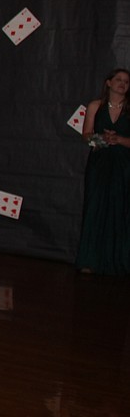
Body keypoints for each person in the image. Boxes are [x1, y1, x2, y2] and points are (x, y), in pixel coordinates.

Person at [76, 68, 130, 275]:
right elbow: (86, 135)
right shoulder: (95, 106)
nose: (123, 84)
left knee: (120, 209)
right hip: (100, 164)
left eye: (126, 81)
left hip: (124, 165)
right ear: (108, 83)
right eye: (119, 80)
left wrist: (120, 140)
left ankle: (119, 262)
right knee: (95, 208)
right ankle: (89, 260)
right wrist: (102, 140)